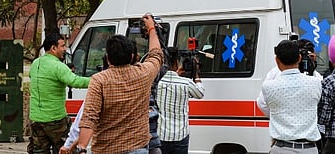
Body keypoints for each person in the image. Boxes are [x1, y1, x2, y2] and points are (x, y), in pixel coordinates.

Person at [77, 14, 164, 154]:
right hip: (138, 148)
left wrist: (81, 147)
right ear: (131, 57)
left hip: (107, 149)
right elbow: (156, 55)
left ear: (107, 58)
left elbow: (90, 118)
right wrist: (151, 28)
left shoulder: (99, 80)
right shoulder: (144, 73)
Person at [29, 32, 91, 154]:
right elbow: (75, 81)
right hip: (55, 120)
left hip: (36, 119)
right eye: (62, 46)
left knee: (38, 151)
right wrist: (98, 79)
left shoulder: (35, 63)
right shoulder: (58, 66)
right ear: (53, 48)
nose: (65, 49)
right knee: (65, 150)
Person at [259, 40, 323, 153]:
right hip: (309, 149)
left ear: (277, 60)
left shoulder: (268, 86)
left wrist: (279, 116)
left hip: (281, 148)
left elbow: (262, 104)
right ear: (299, 58)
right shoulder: (316, 82)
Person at [156, 48, 206, 154]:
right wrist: (196, 74)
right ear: (177, 63)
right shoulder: (185, 83)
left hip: (161, 135)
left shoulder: (156, 83)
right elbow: (200, 93)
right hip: (180, 136)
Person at [258, 39, 323, 113]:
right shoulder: (274, 73)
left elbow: (262, 103)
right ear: (299, 57)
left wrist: (277, 116)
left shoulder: (315, 77)